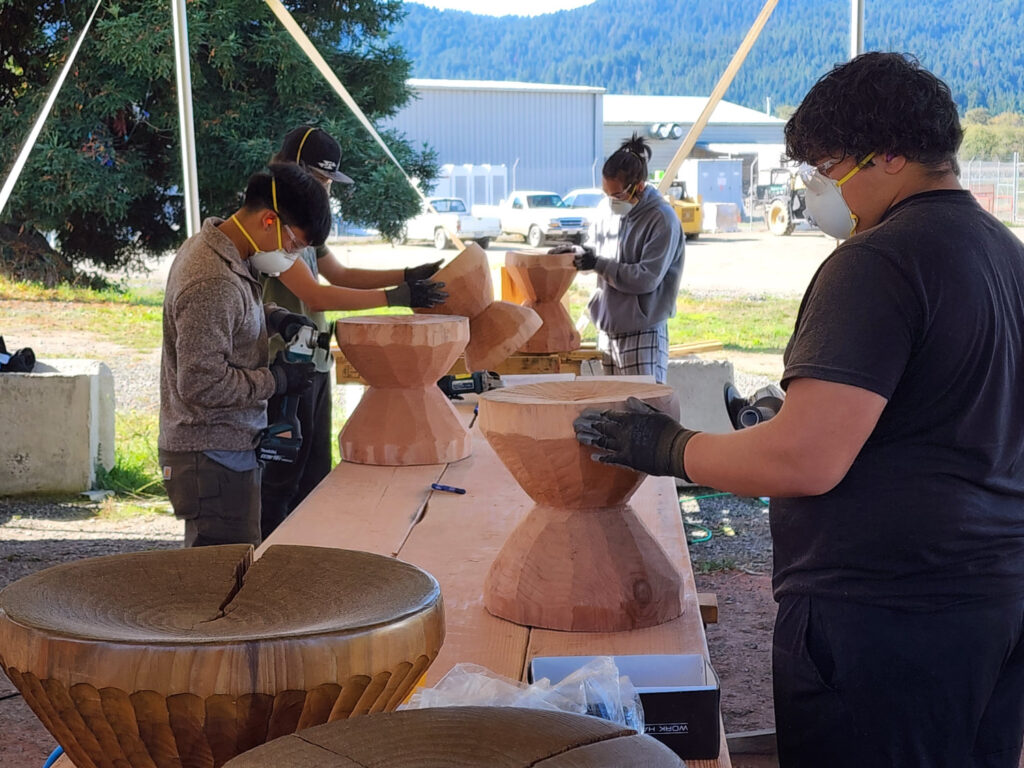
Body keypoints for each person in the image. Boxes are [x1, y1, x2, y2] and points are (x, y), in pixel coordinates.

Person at [574, 52, 1024, 767]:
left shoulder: (878, 261)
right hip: (992, 601)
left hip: (883, 618)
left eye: (827, 164)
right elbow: (946, 412)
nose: (818, 185)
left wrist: (667, 447)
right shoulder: (1004, 253)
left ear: (894, 155)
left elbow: (803, 459)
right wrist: (786, 418)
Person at [259, 125, 448, 538]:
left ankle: (307, 561)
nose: (327, 188)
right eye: (322, 179)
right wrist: (396, 295)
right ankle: (268, 563)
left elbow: (338, 272)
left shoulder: (305, 218)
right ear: (294, 167)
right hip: (283, 363)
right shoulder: (271, 223)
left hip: (315, 356)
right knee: (280, 479)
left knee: (314, 475)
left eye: (328, 181)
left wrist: (405, 274)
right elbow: (316, 295)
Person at [159, 162, 331, 548]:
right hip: (211, 456)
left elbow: (232, 322)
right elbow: (201, 382)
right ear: (270, 221)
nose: (292, 258)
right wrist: (277, 380)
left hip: (228, 449)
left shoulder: (228, 253)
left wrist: (277, 319)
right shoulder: (212, 279)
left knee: (230, 571)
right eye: (294, 246)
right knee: (219, 583)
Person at [562, 133, 683, 384]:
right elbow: (594, 254)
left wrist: (599, 264)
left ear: (638, 185)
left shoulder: (662, 220)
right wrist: (576, 255)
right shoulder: (605, 212)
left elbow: (646, 279)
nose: (611, 201)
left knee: (643, 412)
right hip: (607, 330)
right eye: (606, 194)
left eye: (617, 195)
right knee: (615, 413)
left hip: (642, 332)